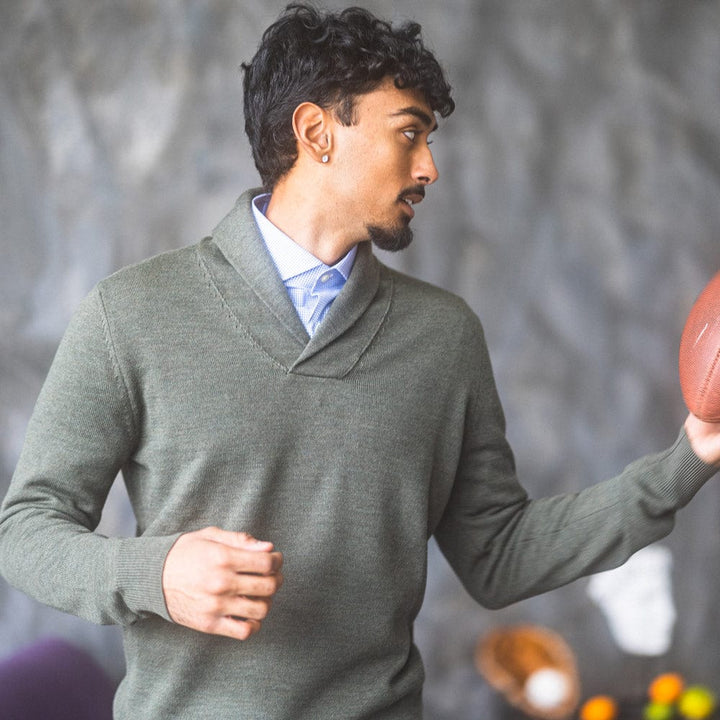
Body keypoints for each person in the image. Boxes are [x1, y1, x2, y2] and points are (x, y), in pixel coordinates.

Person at [1, 4, 719, 719]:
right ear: (316, 133)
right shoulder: (131, 312)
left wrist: (688, 458)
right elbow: (26, 531)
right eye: (408, 133)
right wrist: (155, 573)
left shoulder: (444, 338)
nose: (429, 167)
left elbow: (498, 554)